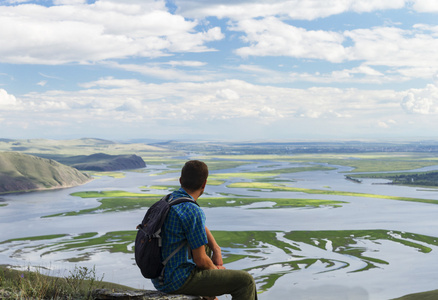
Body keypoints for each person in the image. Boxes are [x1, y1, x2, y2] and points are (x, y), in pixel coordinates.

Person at [151, 160, 257, 300]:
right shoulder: (192, 210)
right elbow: (200, 260)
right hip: (177, 280)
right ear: (204, 184)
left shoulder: (168, 200)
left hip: (160, 277)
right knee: (246, 282)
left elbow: (198, 227)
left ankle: (209, 297)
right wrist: (216, 272)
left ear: (181, 180)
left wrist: (216, 249)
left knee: (203, 244)